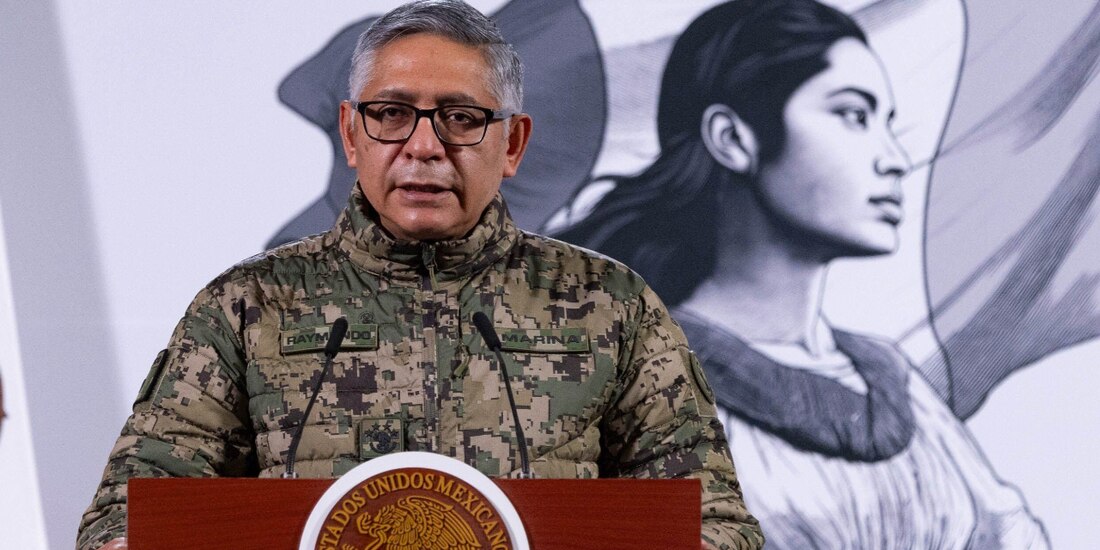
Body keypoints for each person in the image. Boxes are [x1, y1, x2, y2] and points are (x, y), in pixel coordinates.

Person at [76, 2, 763, 549]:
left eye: (461, 118)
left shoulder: (608, 306)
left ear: (514, 143)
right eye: (392, 114)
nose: (425, 146)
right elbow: (126, 521)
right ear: (351, 134)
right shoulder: (247, 307)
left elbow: (718, 525)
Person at [554, 0, 1049, 548]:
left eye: (887, 123)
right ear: (733, 138)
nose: (893, 158)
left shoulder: (893, 379)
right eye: (854, 115)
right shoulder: (630, 378)